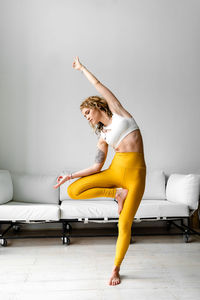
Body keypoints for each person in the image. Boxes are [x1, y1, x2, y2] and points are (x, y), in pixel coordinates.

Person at [53, 56, 147, 286]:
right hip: (116, 172)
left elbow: (99, 86)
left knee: (124, 225)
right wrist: (70, 175)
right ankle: (116, 194)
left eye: (86, 113)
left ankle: (115, 269)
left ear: (96, 106)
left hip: (135, 174)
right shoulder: (103, 136)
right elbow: (97, 166)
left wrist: (82, 68)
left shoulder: (120, 114)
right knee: (74, 190)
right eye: (84, 116)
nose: (86, 117)